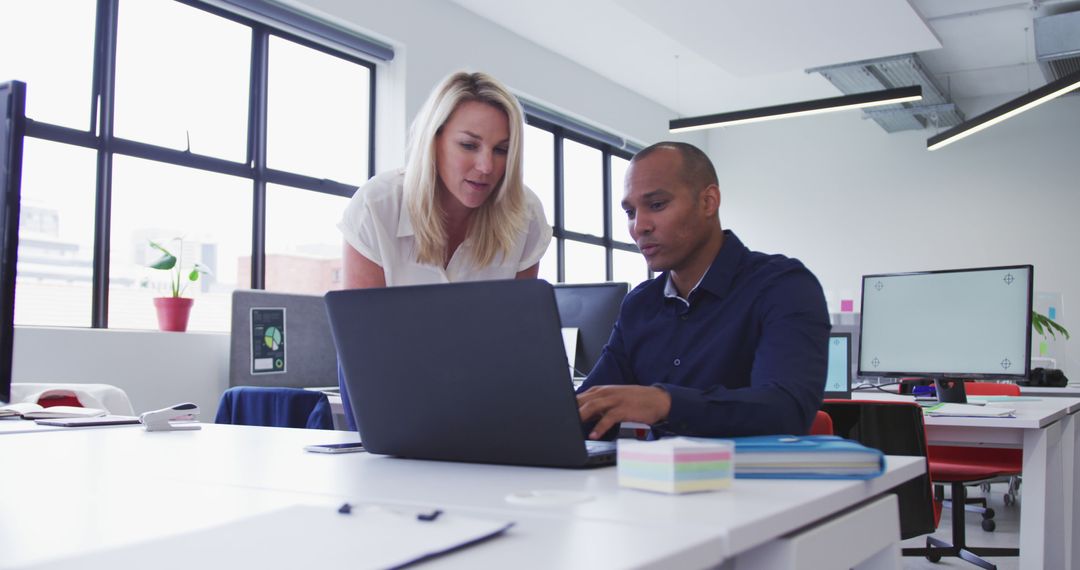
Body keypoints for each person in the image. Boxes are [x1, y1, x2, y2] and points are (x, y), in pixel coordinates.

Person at [335, 71, 553, 429]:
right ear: (433, 141)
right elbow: (363, 350)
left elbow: (516, 346)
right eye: (469, 145)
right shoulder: (377, 206)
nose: (486, 167)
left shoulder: (524, 215)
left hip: (486, 401)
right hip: (389, 397)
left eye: (501, 150)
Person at [576, 142, 829, 439]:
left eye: (657, 205)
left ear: (708, 202)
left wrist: (665, 403)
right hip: (656, 480)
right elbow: (591, 407)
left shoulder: (783, 286)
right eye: (630, 212)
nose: (639, 226)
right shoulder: (640, 305)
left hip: (750, 481)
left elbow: (786, 410)